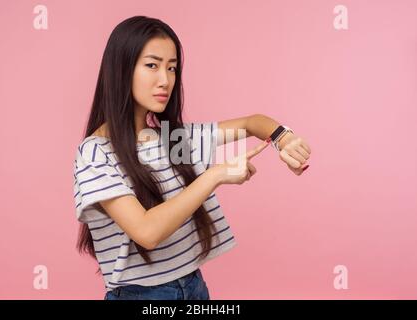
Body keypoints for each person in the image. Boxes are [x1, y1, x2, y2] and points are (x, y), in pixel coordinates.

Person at [73, 15, 311, 300]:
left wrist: (284, 138)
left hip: (193, 286)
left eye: (172, 68)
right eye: (152, 65)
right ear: (121, 69)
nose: (165, 80)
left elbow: (252, 123)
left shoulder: (171, 139)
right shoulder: (96, 152)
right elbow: (146, 232)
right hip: (141, 295)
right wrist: (216, 175)